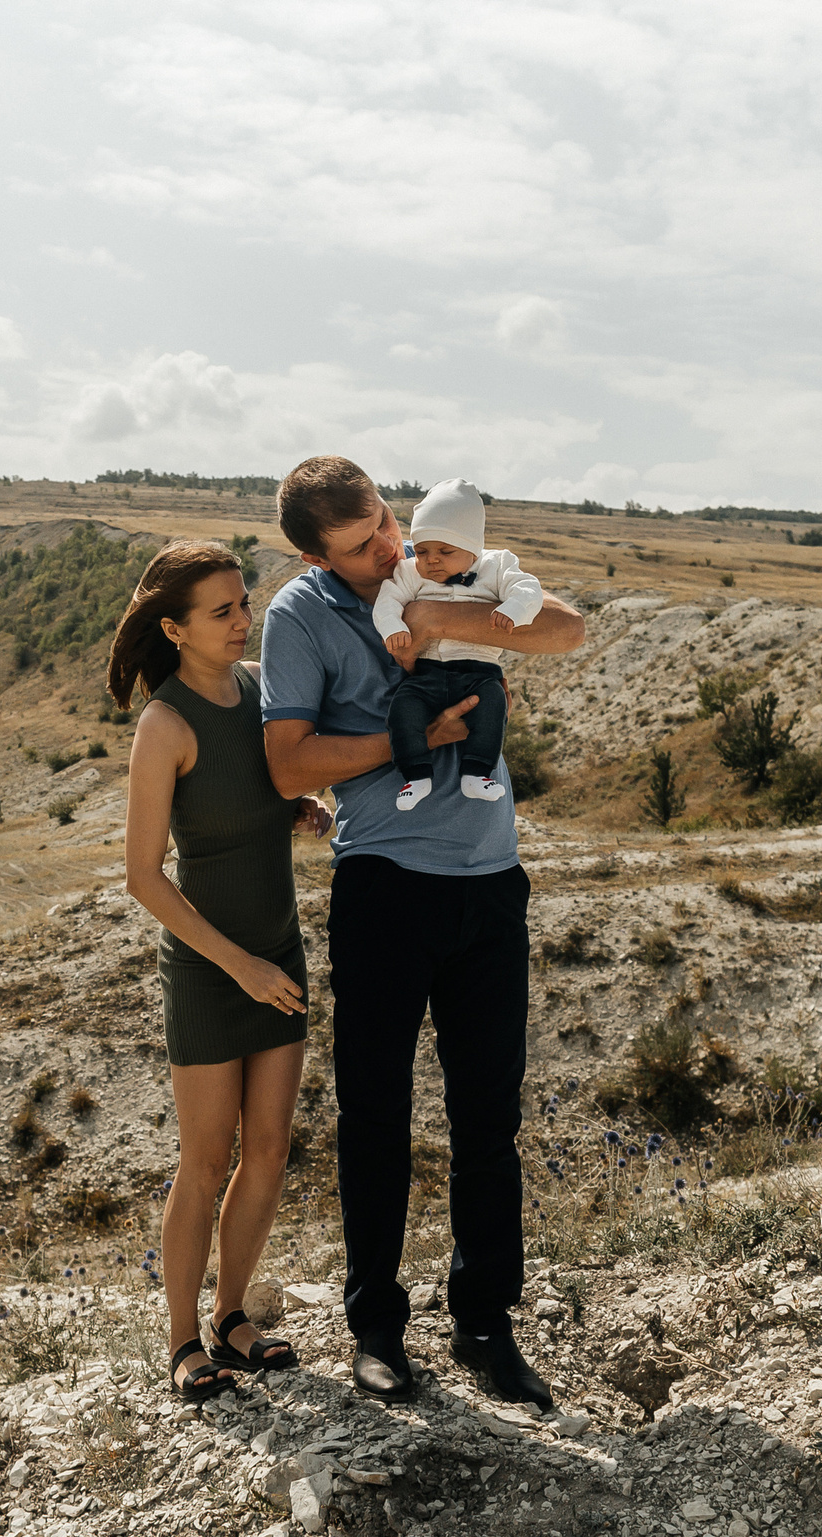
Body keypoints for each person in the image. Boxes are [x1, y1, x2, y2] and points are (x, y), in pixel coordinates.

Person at [256, 456, 585, 1409]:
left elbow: (566, 629)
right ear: (316, 556)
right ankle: (376, 1329)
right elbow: (288, 766)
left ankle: (485, 1324)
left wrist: (441, 616)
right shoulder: (299, 615)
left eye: (386, 524)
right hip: (384, 885)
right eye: (362, 546)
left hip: (492, 883)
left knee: (489, 1119)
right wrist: (417, 740)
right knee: (375, 1115)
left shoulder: (444, 572)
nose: (388, 547)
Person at [113, 539, 334, 1404]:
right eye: (224, 611)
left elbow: (255, 794)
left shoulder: (260, 692)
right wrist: (237, 964)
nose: (246, 620)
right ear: (174, 628)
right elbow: (143, 876)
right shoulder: (164, 726)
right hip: (213, 969)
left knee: (270, 1150)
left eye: (245, 603)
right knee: (205, 1159)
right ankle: (181, 1339)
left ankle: (231, 1317)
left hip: (278, 953)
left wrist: (296, 809)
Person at [372, 477, 545, 810]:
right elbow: (388, 600)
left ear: (473, 546)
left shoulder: (497, 566)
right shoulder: (409, 573)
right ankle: (415, 776)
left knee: (494, 705)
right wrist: (393, 626)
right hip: (427, 673)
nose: (432, 560)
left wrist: (514, 609)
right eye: (422, 551)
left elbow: (528, 589)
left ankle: (477, 774)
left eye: (445, 551)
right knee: (403, 708)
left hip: (479, 673)